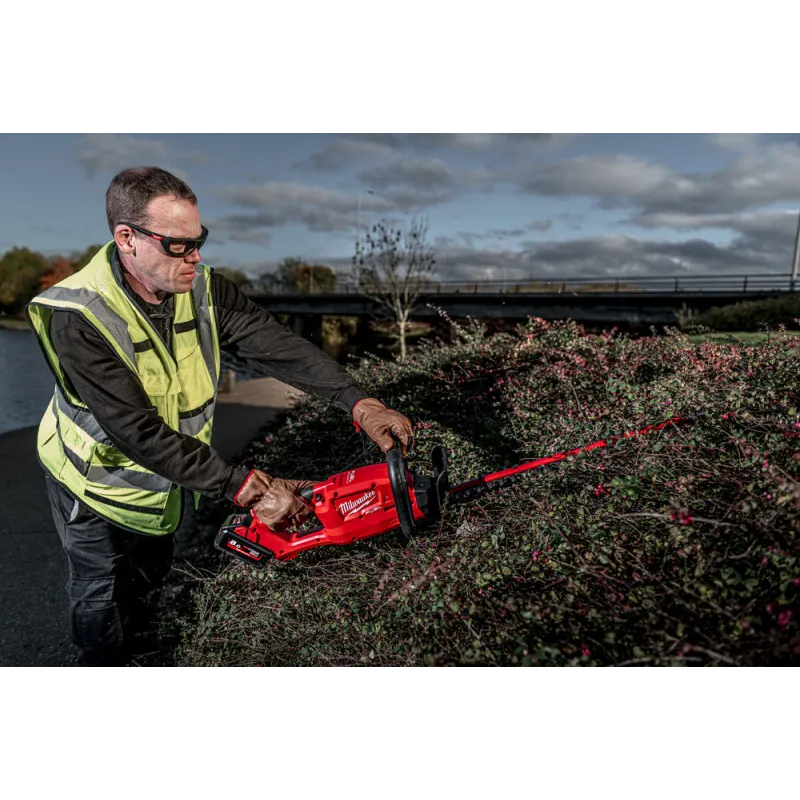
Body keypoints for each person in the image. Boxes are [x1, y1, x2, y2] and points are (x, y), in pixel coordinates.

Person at [26, 166, 413, 671]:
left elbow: (277, 346)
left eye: (199, 239)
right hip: (90, 481)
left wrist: (359, 403)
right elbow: (136, 430)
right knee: (100, 592)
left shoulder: (204, 288)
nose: (196, 256)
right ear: (127, 239)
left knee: (147, 576)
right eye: (178, 245)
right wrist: (249, 488)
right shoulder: (78, 314)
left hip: (163, 482)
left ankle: (138, 653)